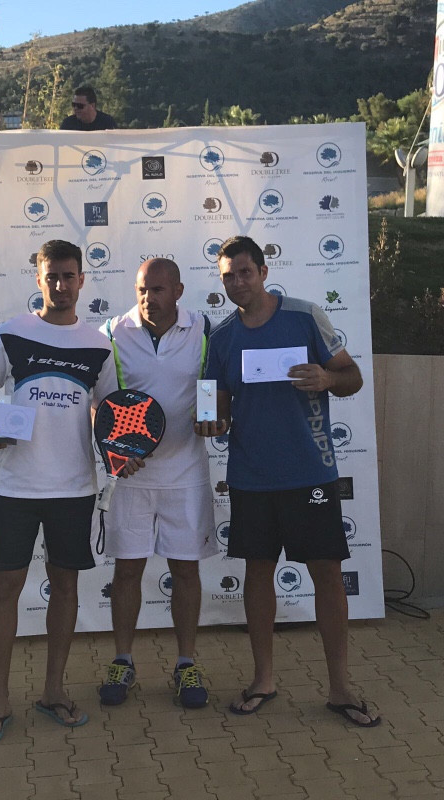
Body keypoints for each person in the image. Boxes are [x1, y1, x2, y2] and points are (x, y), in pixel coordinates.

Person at [196, 235, 380, 727]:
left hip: (309, 473)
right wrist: (210, 420)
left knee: (326, 575)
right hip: (251, 478)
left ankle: (340, 688)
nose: (237, 282)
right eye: (228, 276)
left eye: (245, 272)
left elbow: (352, 376)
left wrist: (327, 379)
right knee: (258, 575)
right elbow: (215, 406)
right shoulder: (222, 336)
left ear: (263, 271)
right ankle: (263, 679)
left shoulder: (304, 316)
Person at [0, 239, 120, 742]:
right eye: (51, 276)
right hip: (16, 486)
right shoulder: (11, 333)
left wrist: (123, 449)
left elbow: (110, 413)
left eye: (68, 275)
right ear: (39, 279)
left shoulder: (99, 345)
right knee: (4, 591)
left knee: (66, 589)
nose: (60, 284)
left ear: (82, 280)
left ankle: (54, 691)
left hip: (74, 488)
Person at [98, 258, 217, 709]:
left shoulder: (204, 329)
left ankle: (186, 664)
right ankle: (122, 661)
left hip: (186, 475)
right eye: (142, 289)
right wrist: (114, 452)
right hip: (130, 478)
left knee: (185, 571)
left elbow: (212, 389)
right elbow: (98, 405)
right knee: (127, 572)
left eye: (159, 290)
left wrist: (212, 419)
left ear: (179, 291)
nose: (149, 298)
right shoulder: (112, 332)